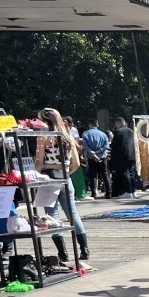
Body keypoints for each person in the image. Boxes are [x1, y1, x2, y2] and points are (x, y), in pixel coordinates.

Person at [33, 107, 90, 263]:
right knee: (73, 214)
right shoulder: (68, 136)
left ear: (45, 121)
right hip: (65, 177)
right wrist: (66, 174)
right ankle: (84, 249)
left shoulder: (44, 137)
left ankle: (63, 252)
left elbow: (39, 160)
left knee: (52, 216)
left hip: (48, 177)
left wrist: (36, 176)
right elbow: (76, 163)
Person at [108, 116, 139, 198]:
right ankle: (133, 190)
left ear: (118, 123)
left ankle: (128, 191)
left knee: (125, 173)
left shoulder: (118, 132)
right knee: (131, 172)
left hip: (122, 155)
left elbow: (114, 146)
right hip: (132, 155)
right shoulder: (131, 131)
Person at [81, 119, 111, 199]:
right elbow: (106, 146)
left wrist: (93, 153)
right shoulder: (103, 134)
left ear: (89, 124)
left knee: (93, 175)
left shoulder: (86, 134)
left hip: (91, 158)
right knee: (105, 174)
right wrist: (99, 152)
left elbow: (86, 146)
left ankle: (94, 193)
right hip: (102, 157)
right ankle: (108, 193)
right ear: (97, 124)